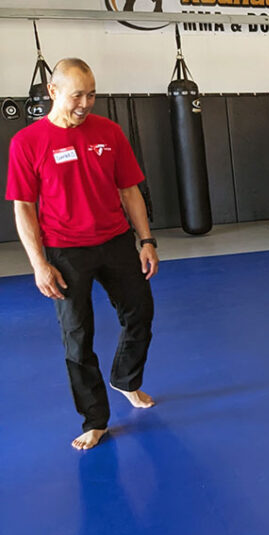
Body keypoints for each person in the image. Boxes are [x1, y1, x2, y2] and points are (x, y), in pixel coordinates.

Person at [5, 58, 158, 451]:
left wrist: (146, 240)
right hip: (64, 251)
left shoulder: (109, 132)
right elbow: (23, 206)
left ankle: (125, 379)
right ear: (53, 92)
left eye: (92, 94)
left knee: (140, 311)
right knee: (78, 338)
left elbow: (129, 190)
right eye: (77, 95)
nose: (86, 103)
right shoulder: (27, 142)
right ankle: (96, 419)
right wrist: (39, 264)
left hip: (115, 240)